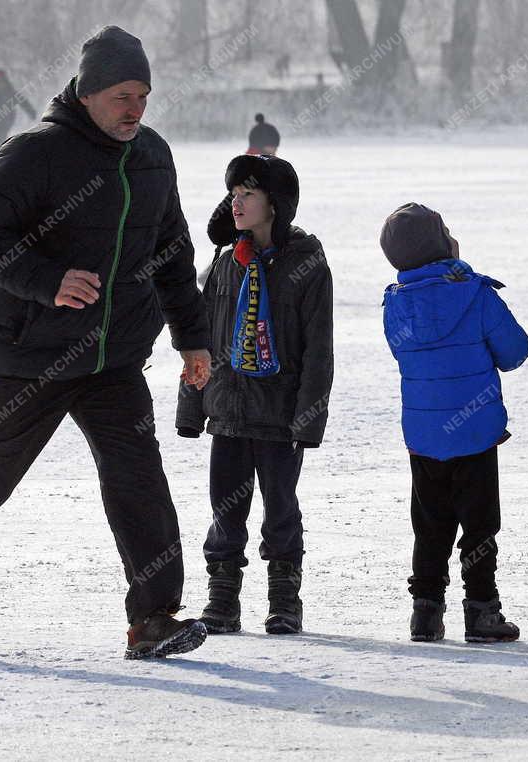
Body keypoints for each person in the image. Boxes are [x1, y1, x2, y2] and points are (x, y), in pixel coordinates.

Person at [0, 26, 213, 660]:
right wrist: (46, 281)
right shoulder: (34, 152)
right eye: (122, 96)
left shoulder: (152, 155)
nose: (134, 110)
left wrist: (192, 339)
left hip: (114, 356)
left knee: (138, 477)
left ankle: (154, 618)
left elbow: (172, 251)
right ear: (88, 93)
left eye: (143, 96)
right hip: (26, 354)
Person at [176, 154, 333, 636]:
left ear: (276, 204)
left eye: (248, 194)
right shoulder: (225, 265)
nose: (237, 204)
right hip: (226, 411)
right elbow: (198, 341)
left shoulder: (307, 266)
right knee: (225, 509)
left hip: (279, 415)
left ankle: (285, 598)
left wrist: (308, 419)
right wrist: (191, 404)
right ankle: (222, 598)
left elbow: (318, 351)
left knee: (281, 508)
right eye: (234, 195)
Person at [380, 203, 528, 643]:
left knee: (429, 527)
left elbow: (402, 353)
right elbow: (515, 352)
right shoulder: (476, 293)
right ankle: (482, 612)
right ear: (444, 243)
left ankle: (425, 614)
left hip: (424, 436)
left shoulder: (395, 304)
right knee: (480, 527)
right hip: (476, 432)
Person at [0, 69, 36, 176]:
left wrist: (31, 112)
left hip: (5, 122)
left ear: (5, 80)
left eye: (1, 80)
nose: (0, 83)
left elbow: (22, 101)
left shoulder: (10, 91)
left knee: (0, 142)